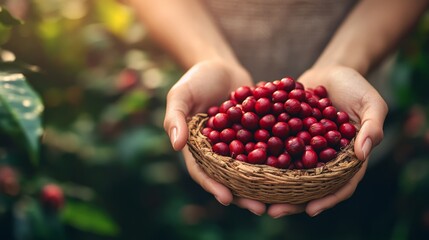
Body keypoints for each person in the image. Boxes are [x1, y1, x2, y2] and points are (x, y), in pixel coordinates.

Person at [124, 0, 429, 218]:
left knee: (355, 218)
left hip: (358, 118)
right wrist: (208, 56)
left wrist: (346, 62)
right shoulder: (225, 126)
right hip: (211, 107)